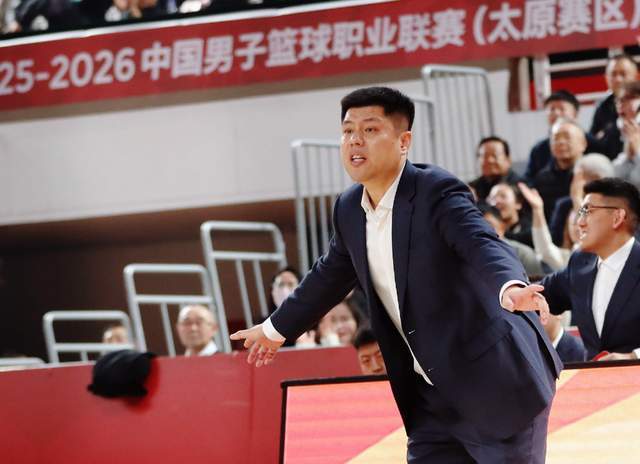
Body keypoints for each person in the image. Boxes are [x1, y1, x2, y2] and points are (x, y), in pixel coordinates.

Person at [231, 87, 561, 463]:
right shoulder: (349, 208)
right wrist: (275, 329)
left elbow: (481, 243)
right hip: (431, 398)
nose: (355, 140)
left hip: (496, 383)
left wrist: (511, 286)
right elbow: (328, 276)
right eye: (347, 131)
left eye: (370, 129)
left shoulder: (435, 190)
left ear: (404, 141)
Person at [541, 178, 640, 361]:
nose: (579, 222)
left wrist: (633, 356)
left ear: (617, 217)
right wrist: (510, 290)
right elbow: (538, 294)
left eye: (588, 211)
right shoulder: (580, 262)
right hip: (593, 377)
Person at [525, 90, 600, 183]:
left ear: (575, 113)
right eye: (551, 109)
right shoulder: (539, 149)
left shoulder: (593, 144)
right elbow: (529, 180)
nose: (556, 113)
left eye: (561, 109)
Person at [549, 153, 614, 246]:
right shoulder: (565, 205)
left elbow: (591, 234)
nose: (574, 183)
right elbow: (554, 242)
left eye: (579, 178)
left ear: (597, 179)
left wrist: (577, 200)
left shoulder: (614, 206)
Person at [534, 118, 587, 220]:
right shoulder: (542, 179)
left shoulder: (593, 174)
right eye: (556, 138)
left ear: (583, 143)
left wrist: (577, 199)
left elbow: (589, 219)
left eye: (567, 137)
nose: (561, 142)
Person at [519, 182, 577, 271]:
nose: (580, 225)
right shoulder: (567, 256)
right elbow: (545, 250)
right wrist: (537, 209)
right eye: (573, 223)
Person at [590, 54, 638, 159]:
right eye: (613, 74)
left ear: (635, 75)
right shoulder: (602, 105)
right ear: (606, 77)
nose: (618, 79)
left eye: (623, 74)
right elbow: (594, 140)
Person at [480, 204, 545, 277]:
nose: (484, 231)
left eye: (489, 225)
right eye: (478, 227)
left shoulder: (523, 254)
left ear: (502, 226)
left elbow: (536, 281)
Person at [468, 136, 522, 203]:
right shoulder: (471, 188)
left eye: (495, 156)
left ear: (508, 159)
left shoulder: (520, 187)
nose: (490, 160)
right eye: (484, 156)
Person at [612, 81, 640, 189]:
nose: (620, 104)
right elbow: (616, 177)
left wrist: (637, 150)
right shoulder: (617, 134)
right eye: (618, 100)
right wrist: (628, 155)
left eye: (628, 98)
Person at [487, 182, 533, 247]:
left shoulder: (530, 231)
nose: (497, 201)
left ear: (518, 203)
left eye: (503, 196)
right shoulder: (486, 229)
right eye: (493, 197)